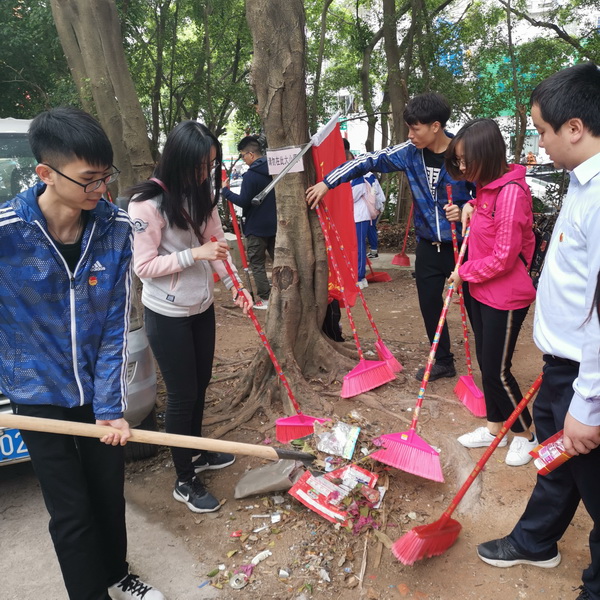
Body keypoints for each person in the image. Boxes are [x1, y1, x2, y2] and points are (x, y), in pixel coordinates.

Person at [0, 107, 163, 599]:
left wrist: (110, 407)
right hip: (36, 392)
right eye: (89, 178)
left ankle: (117, 573)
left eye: (105, 176)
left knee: (107, 494)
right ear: (46, 173)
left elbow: (115, 324)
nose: (100, 188)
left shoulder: (114, 228)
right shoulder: (7, 231)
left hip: (97, 388)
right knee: (69, 508)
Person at [476, 63, 600, 600]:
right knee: (554, 462)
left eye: (542, 131)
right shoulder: (580, 183)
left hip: (585, 378)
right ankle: (535, 540)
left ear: (574, 128)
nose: (539, 142)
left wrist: (588, 403)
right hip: (562, 369)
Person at [127, 121, 252, 515]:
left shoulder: (202, 196)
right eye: (199, 166)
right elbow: (144, 267)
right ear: (178, 159)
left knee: (200, 384)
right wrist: (192, 255)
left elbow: (217, 246)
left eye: (210, 166)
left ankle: (197, 451)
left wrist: (236, 287)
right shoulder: (146, 204)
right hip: (167, 313)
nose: (204, 173)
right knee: (182, 395)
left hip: (201, 307)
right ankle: (184, 478)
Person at [306, 92, 474, 381]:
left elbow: (487, 192)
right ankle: (443, 360)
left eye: (415, 129)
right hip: (428, 246)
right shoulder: (409, 153)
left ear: (435, 126)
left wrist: (467, 207)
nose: (410, 135)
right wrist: (327, 182)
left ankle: (491, 368)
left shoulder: (465, 152)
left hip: (464, 246)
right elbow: (367, 161)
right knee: (430, 305)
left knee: (477, 306)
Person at [446, 118, 538, 466]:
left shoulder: (511, 193)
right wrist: (471, 205)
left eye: (466, 159)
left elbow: (503, 257)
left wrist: (463, 273)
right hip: (480, 291)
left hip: (506, 296)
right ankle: (494, 427)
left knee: (498, 371)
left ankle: (526, 434)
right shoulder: (486, 187)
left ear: (486, 153)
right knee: (487, 364)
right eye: (458, 160)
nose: (462, 167)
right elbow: (486, 215)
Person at [221, 134, 276, 309]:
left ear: (251, 154)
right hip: (275, 225)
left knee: (257, 263)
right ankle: (282, 293)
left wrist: (225, 192)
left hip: (256, 227)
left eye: (243, 155)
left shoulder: (251, 176)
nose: (243, 159)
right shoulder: (276, 170)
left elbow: (244, 201)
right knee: (279, 260)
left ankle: (266, 298)